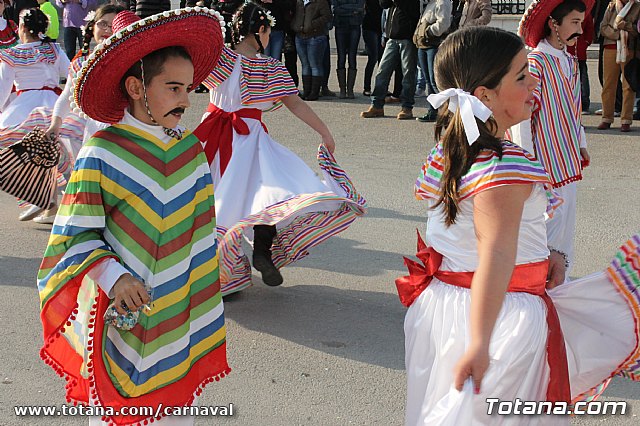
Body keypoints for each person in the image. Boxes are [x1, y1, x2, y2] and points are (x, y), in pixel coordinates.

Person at [400, 25, 640, 425]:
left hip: (445, 308)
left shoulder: (451, 148)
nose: (534, 83)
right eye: (522, 76)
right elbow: (494, 252)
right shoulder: (503, 164)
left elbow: (468, 238)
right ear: (484, 96)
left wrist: (546, 255)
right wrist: (480, 342)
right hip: (497, 319)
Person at [37, 8, 230, 425]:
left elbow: (200, 237)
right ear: (136, 86)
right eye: (173, 87)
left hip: (179, 318)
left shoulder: (190, 154)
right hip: (119, 321)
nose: (184, 99)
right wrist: (115, 276)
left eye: (189, 89)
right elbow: (74, 234)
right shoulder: (103, 153)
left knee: (176, 415)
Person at [198, 1, 366, 295]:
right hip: (249, 139)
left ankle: (215, 276)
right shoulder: (268, 67)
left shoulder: (218, 58)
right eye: (267, 32)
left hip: (210, 135)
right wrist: (325, 132)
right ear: (261, 30)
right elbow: (296, 104)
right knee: (267, 196)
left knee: (210, 200)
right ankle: (261, 250)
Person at [509, 0, 591, 277]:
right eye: (574, 23)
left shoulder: (569, 60)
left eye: (581, 22)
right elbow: (522, 116)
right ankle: (538, 291)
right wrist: (526, 163)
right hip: (543, 165)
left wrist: (581, 143)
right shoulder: (537, 61)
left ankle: (559, 289)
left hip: (567, 161)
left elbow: (575, 108)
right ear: (554, 24)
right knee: (543, 232)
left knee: (564, 232)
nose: (580, 30)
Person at [0, 8, 70, 221]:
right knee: (55, 153)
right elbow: (70, 74)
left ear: (21, 28)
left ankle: (42, 199)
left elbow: (2, 90)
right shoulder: (54, 49)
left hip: (24, 107)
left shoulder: (11, 54)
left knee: (23, 155)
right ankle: (54, 202)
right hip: (54, 105)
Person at [360, 0, 420, 120]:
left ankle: (407, 107)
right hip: (392, 37)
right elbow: (383, 4)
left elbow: (412, 9)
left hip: (407, 37)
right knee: (382, 71)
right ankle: (377, 105)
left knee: (408, 74)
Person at [598, 0, 640, 131]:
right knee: (608, 85)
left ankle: (626, 120)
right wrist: (618, 34)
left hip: (630, 48)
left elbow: (637, 29)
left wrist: (625, 26)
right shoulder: (611, 6)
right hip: (610, 46)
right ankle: (606, 118)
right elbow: (603, 27)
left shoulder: (637, 6)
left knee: (628, 86)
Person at [414, 0, 452, 123]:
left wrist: (428, 32)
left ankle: (449, 112)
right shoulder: (430, 3)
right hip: (423, 45)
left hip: (433, 45)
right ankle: (433, 111)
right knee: (429, 82)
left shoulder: (442, 2)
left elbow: (444, 23)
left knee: (435, 81)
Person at [292, 0, 332, 101]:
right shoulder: (299, 2)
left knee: (315, 65)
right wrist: (295, 25)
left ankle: (314, 92)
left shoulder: (321, 2)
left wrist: (312, 24)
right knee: (305, 64)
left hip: (316, 36)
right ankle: (306, 91)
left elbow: (327, 16)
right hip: (300, 36)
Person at [332, 0, 365, 99]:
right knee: (341, 57)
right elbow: (336, 9)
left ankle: (350, 89)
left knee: (352, 57)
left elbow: (360, 7)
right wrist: (352, 10)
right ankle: (342, 89)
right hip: (340, 25)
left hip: (354, 25)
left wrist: (345, 8)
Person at [568, 8, 595, 113]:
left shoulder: (583, 11)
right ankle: (581, 103)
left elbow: (589, 29)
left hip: (577, 49)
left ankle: (583, 103)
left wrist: (586, 42)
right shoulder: (584, 10)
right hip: (574, 48)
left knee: (582, 78)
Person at [361, 0, 382, 96]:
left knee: (382, 59)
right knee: (373, 57)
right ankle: (367, 87)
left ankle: (381, 87)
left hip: (382, 28)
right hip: (370, 27)